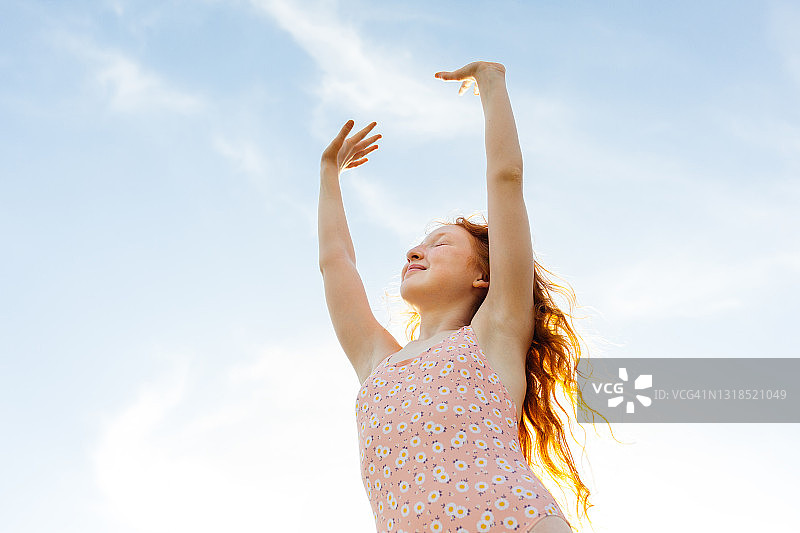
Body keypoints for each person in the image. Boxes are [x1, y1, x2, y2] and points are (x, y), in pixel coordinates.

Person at [318, 61, 593, 533]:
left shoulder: (496, 332)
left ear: (483, 276)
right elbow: (335, 262)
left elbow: (506, 178)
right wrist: (329, 174)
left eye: (440, 244)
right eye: (418, 246)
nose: (415, 252)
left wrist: (491, 83)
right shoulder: (375, 361)